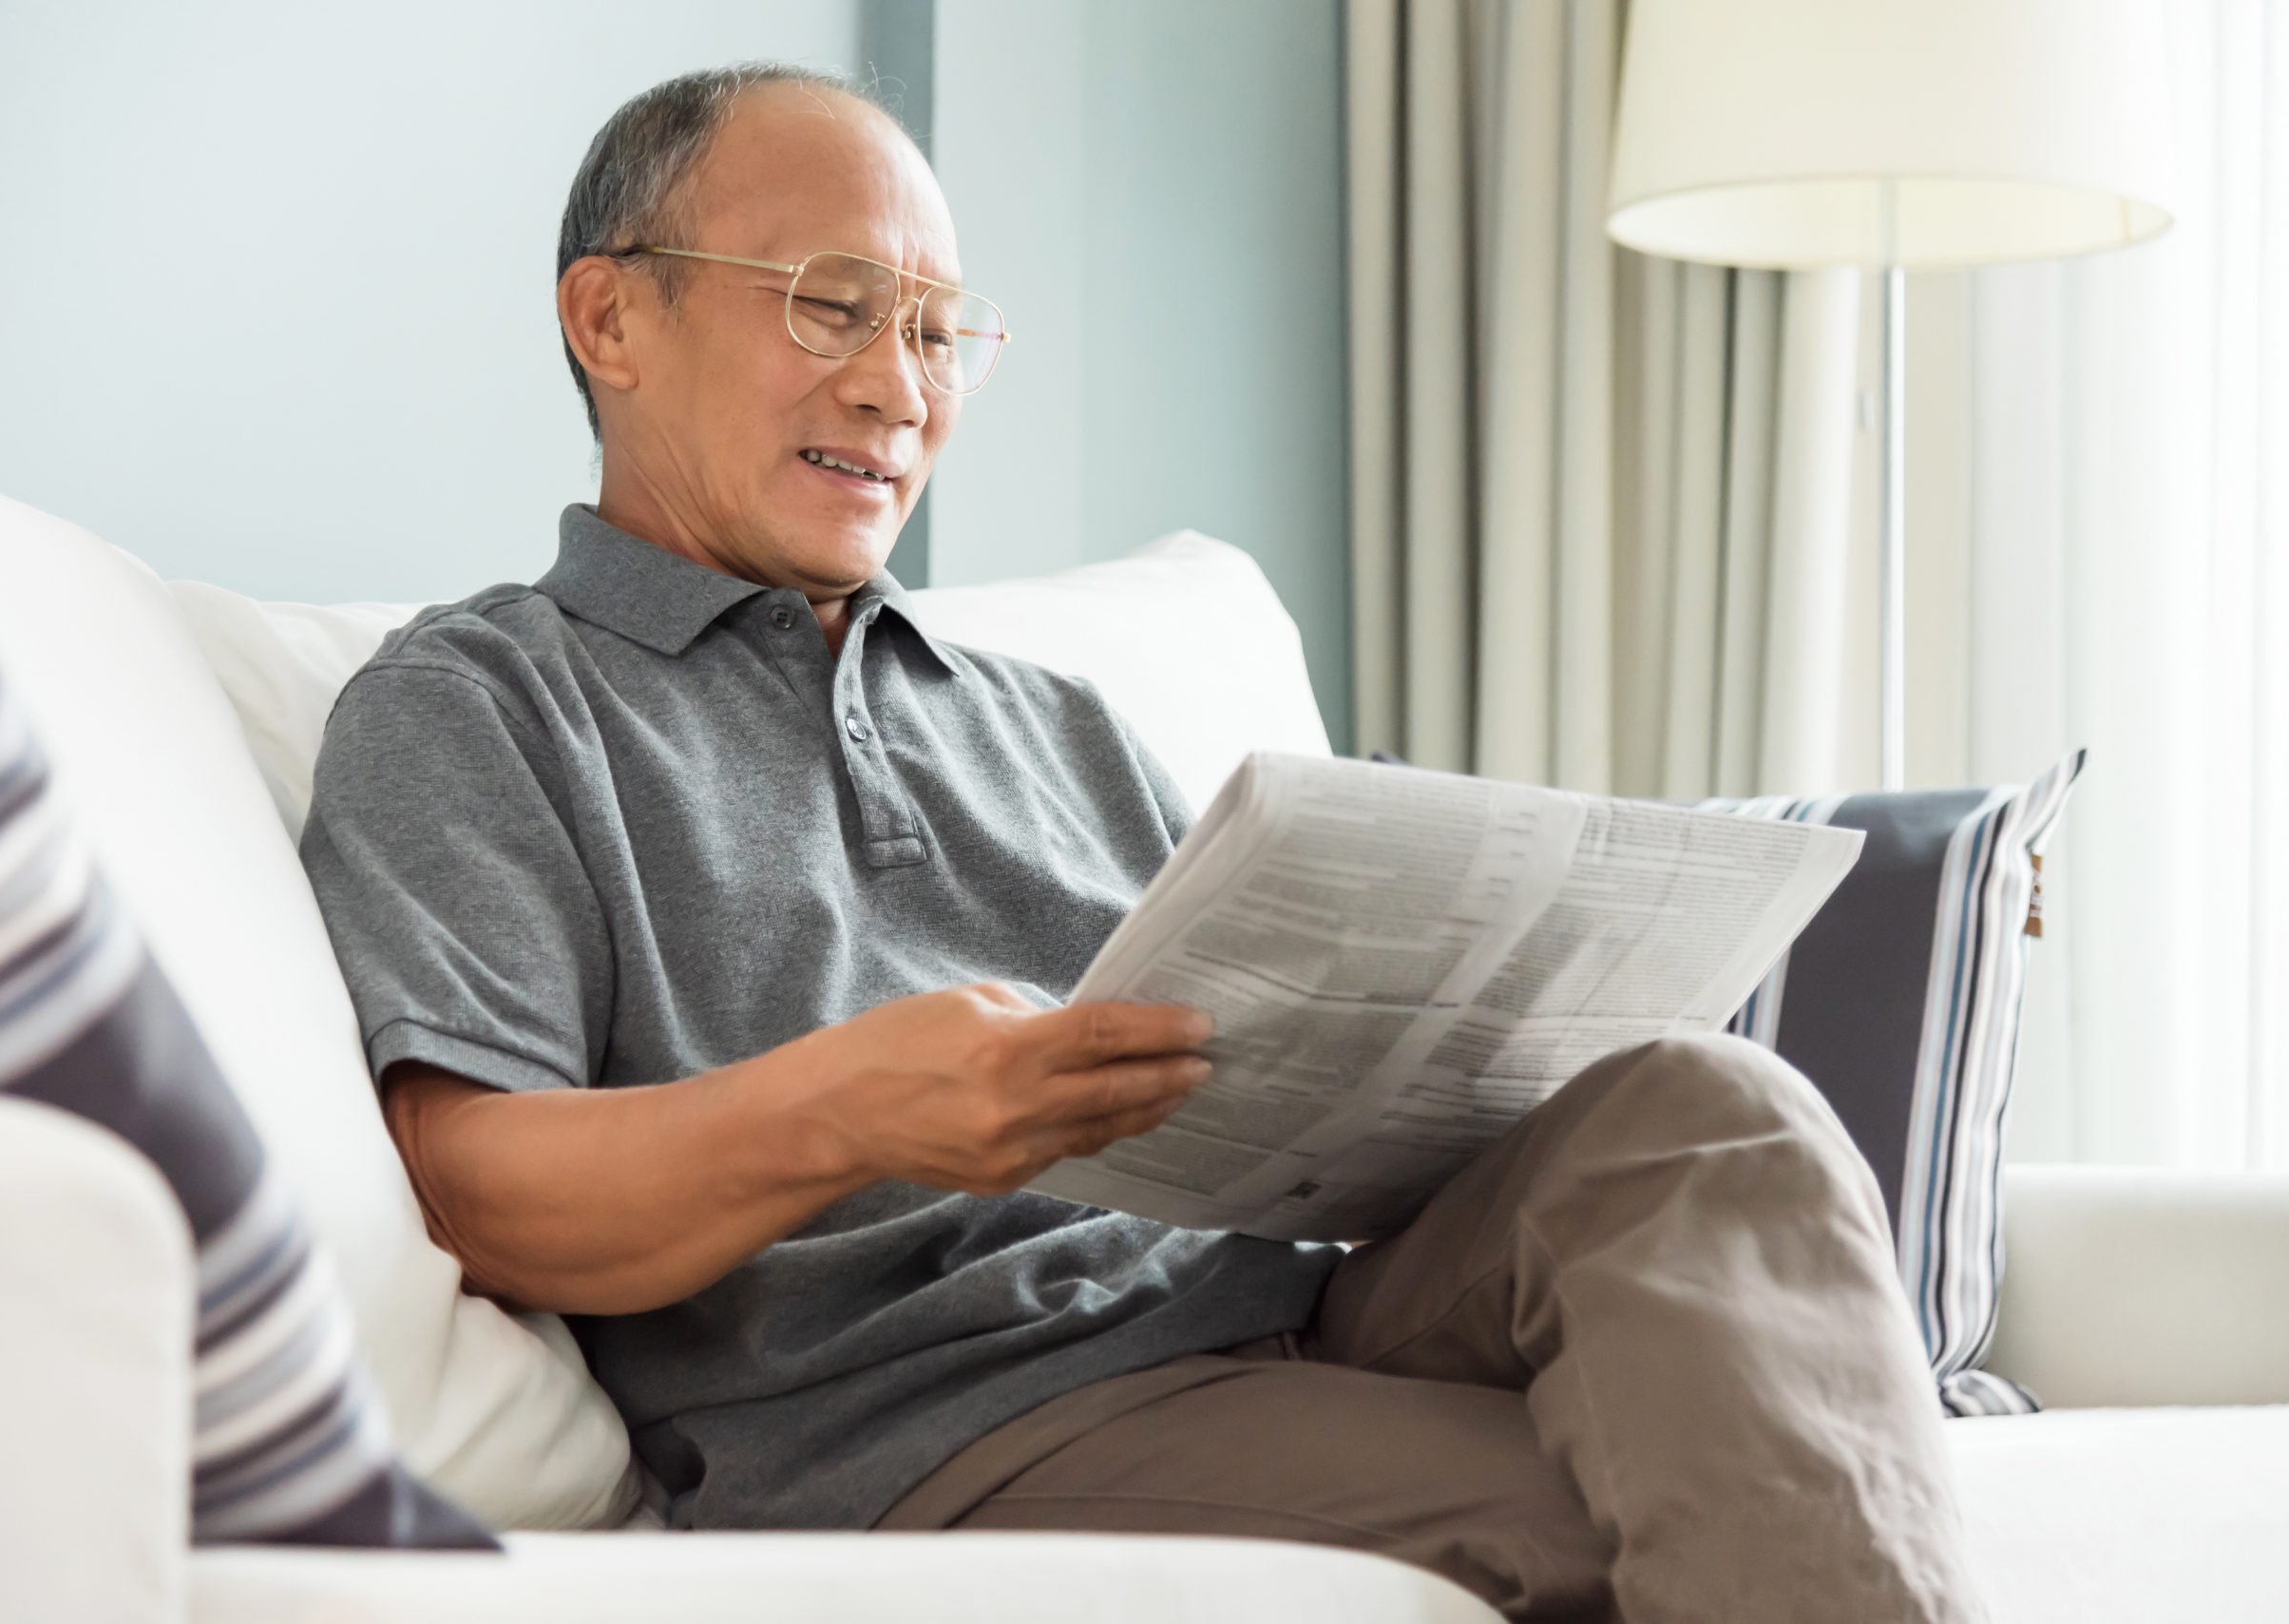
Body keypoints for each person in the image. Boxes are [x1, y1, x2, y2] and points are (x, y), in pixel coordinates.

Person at [300, 62, 1984, 1622]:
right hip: (952, 1425)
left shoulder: (1047, 714)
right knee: (1685, 1507)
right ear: (612, 316)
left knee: (1700, 1104)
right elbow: (476, 1184)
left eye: (940, 330)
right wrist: (850, 1104)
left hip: (1290, 1306)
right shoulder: (485, 705)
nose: (897, 387)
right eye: (830, 307)